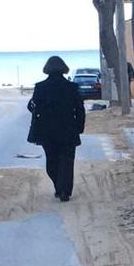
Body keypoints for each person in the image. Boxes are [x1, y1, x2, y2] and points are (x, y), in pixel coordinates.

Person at [27, 55, 87, 202]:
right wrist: (79, 127)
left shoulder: (40, 87)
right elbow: (80, 109)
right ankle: (64, 190)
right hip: (68, 128)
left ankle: (59, 187)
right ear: (63, 69)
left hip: (46, 130)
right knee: (67, 160)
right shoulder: (72, 87)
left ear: (47, 70)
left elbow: (32, 107)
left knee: (51, 160)